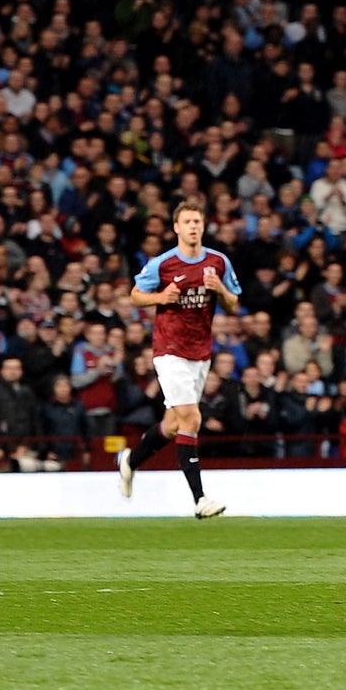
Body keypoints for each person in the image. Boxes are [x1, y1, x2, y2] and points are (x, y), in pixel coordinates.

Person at [117, 200, 240, 517]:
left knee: (173, 424)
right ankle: (201, 500)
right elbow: (134, 295)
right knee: (192, 419)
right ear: (176, 227)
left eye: (197, 221)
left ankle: (130, 461)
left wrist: (220, 292)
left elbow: (234, 305)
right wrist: (160, 297)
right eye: (187, 222)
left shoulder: (218, 262)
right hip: (169, 350)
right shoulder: (163, 264)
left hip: (200, 351)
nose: (193, 227)